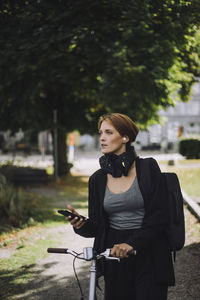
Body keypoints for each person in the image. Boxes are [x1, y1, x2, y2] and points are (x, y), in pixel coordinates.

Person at [66, 113, 175, 300]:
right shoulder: (97, 179)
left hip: (150, 249)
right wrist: (81, 224)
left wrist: (132, 244)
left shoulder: (148, 168)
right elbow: (98, 226)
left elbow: (160, 216)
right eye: (100, 132)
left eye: (108, 132)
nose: (102, 137)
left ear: (125, 137)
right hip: (113, 252)